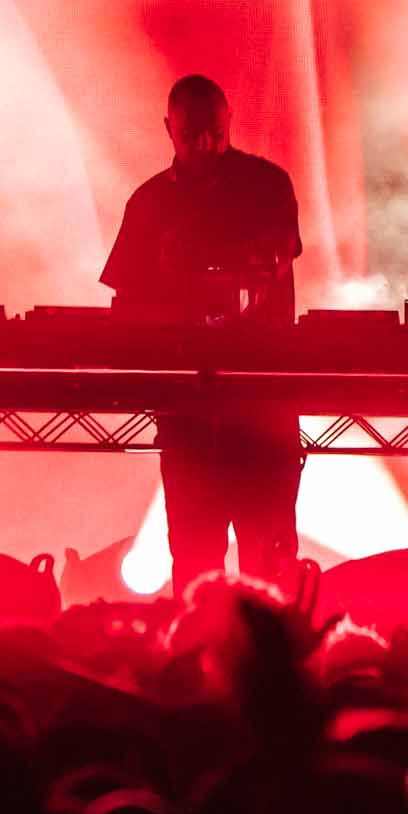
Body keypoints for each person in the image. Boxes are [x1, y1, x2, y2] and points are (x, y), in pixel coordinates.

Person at [100, 74, 304, 597]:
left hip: (262, 411)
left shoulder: (267, 186)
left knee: (269, 566)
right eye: (192, 134)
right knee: (195, 564)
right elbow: (124, 305)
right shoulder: (148, 203)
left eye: (215, 132)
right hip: (189, 418)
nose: (205, 144)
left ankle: (268, 648)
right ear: (168, 128)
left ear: (229, 122)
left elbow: (276, 259)